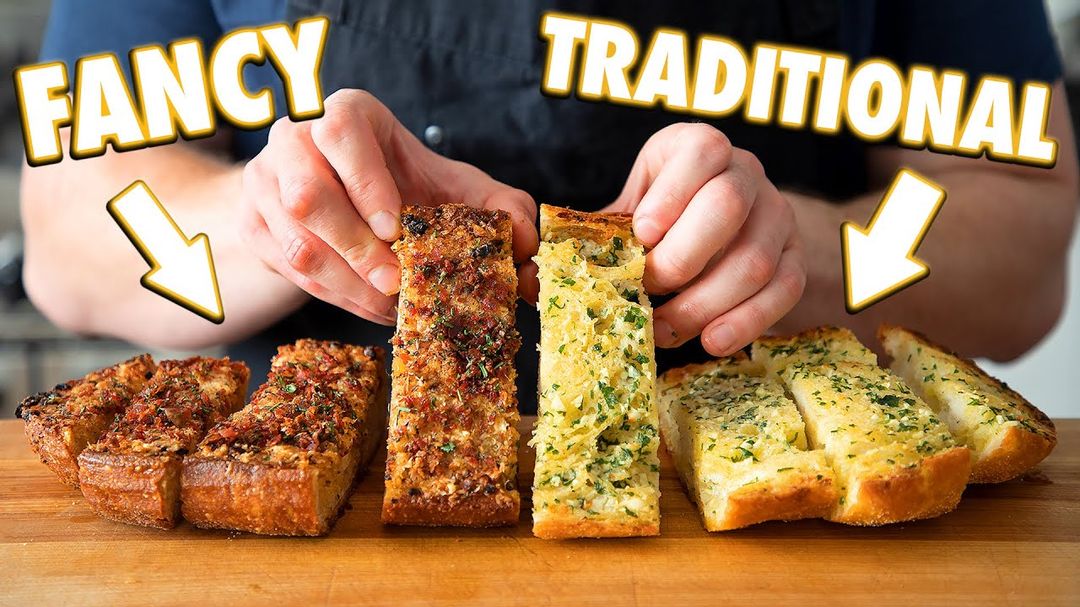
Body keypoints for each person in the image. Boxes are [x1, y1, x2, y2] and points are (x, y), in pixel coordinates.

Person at [20, 1, 1079, 412]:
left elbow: (1023, 242)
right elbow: (70, 230)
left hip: (775, 504)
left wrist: (805, 250)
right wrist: (273, 226)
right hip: (307, 509)